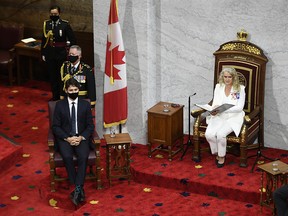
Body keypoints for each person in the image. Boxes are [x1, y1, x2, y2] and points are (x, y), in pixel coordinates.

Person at [52, 78, 94, 205]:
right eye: (71, 90)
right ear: (66, 90)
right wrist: (67, 138)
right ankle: (78, 187)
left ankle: (77, 189)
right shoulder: (59, 105)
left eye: (76, 90)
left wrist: (81, 137)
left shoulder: (85, 104)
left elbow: (90, 126)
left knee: (83, 156)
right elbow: (55, 126)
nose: (74, 92)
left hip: (81, 137)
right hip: (66, 138)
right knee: (67, 156)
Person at [205, 67, 246, 168]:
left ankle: (221, 156)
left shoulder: (240, 88)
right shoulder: (218, 87)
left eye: (229, 77)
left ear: (234, 77)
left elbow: (239, 108)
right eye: (225, 77)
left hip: (233, 117)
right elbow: (215, 103)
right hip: (219, 115)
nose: (227, 79)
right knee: (209, 134)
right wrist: (213, 109)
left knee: (221, 134)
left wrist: (224, 109)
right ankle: (216, 152)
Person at [41, 5, 76, 101]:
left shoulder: (64, 24)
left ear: (59, 13)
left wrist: (70, 51)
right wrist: (43, 53)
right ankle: (55, 96)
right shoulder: (46, 24)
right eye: (51, 14)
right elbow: (44, 40)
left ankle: (62, 96)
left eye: (55, 14)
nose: (53, 15)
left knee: (61, 77)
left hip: (61, 55)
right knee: (52, 77)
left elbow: (73, 40)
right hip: (50, 54)